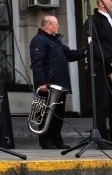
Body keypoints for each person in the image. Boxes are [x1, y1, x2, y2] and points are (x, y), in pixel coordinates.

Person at [30, 15, 86, 149]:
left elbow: (70, 54)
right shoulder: (39, 41)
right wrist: (41, 82)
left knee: (58, 114)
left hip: (59, 85)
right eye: (56, 24)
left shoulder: (56, 42)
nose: (58, 26)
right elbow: (37, 63)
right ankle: (46, 140)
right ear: (49, 25)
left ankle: (56, 139)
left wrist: (86, 51)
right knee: (46, 113)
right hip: (47, 85)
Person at [82, 0, 112, 148]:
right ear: (101, 3)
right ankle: (102, 138)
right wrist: (109, 60)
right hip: (101, 68)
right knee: (102, 103)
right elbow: (91, 45)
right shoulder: (92, 21)